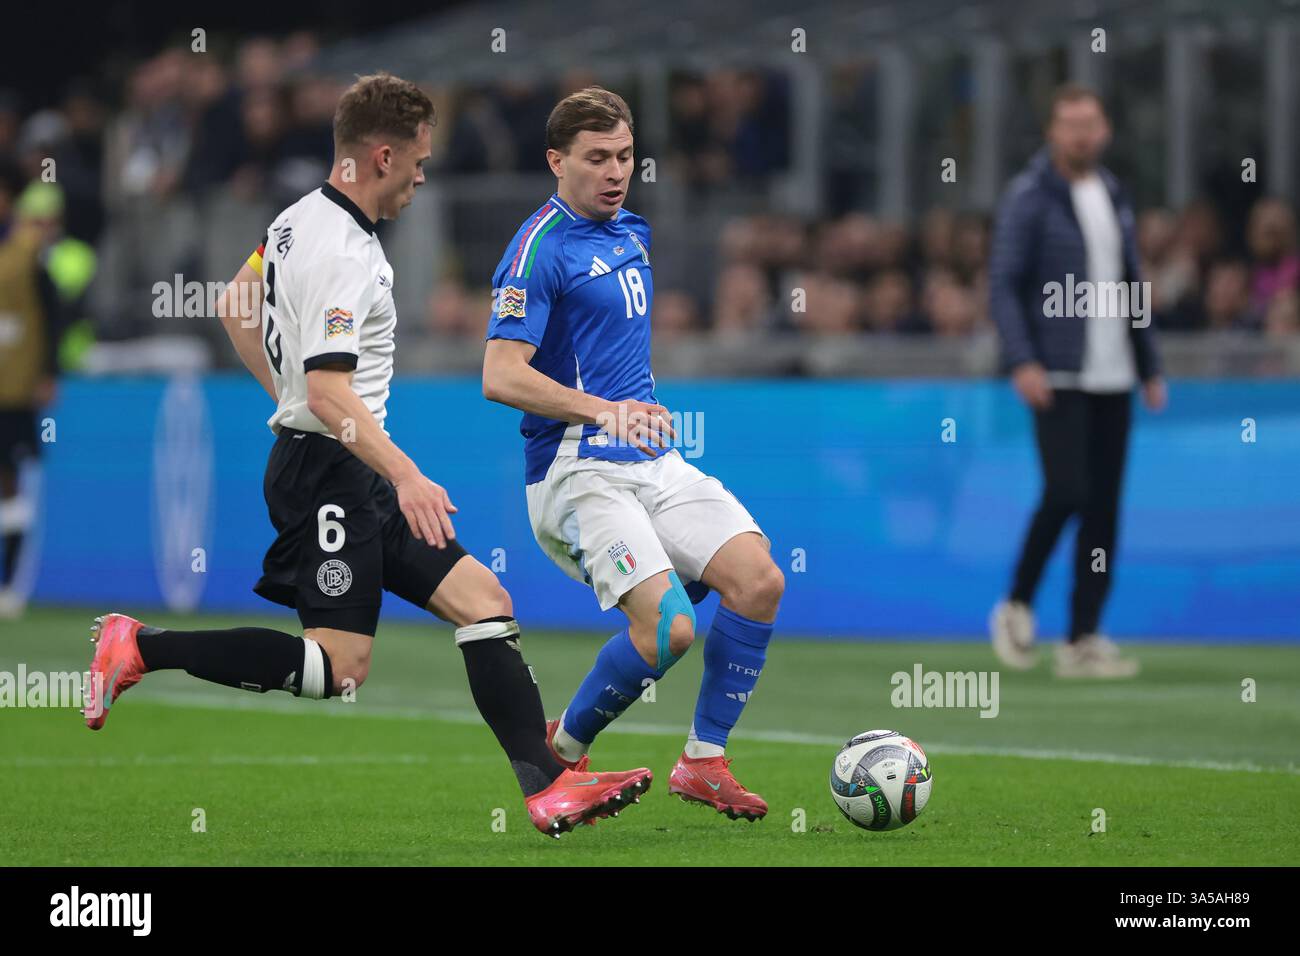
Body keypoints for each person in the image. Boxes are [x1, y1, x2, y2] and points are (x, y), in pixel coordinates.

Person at [84, 73, 651, 838]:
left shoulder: (295, 219)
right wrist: (400, 468)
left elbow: (235, 305)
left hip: (342, 460)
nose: (423, 174)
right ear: (382, 155)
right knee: (336, 670)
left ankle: (547, 787)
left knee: (484, 602)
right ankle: (142, 647)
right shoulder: (345, 250)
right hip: (332, 473)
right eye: (418, 159)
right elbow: (327, 392)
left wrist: (288, 401)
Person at [482, 87, 785, 821]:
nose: (615, 172)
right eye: (596, 159)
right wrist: (606, 411)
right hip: (576, 471)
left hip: (652, 463)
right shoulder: (536, 251)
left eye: (624, 157)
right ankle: (563, 755)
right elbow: (501, 375)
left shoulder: (631, 231)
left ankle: (704, 763)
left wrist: (632, 409)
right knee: (670, 631)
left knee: (759, 581)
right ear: (556, 161)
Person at [988, 84, 1166, 678]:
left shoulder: (1112, 191)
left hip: (1113, 375)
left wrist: (1148, 364)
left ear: (1105, 129)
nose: (1081, 134)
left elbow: (1130, 277)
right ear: (1052, 133)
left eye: (1090, 123)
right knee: (1066, 491)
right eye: (1070, 124)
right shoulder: (1030, 197)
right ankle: (1016, 604)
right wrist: (1022, 359)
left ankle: (1083, 637)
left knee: (1104, 508)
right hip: (1058, 371)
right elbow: (1006, 283)